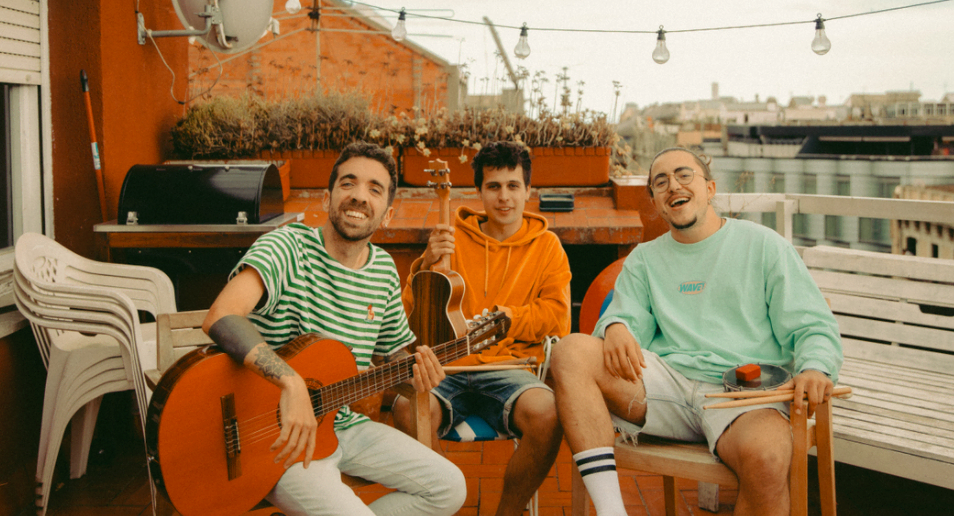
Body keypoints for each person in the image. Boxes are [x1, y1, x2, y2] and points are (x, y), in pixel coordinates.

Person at [551, 147, 843, 516]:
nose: (673, 186)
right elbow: (627, 314)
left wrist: (815, 367)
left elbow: (812, 322)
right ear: (655, 201)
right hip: (666, 387)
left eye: (684, 175)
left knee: (767, 460)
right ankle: (612, 512)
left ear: (710, 187)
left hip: (743, 396)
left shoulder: (763, 245)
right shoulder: (643, 259)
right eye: (661, 182)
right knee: (570, 351)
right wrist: (616, 325)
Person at [202, 142, 466, 516]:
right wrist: (291, 383)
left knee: (449, 488)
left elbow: (395, 353)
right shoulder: (286, 246)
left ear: (387, 214)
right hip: (274, 435)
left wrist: (419, 366)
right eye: (348, 183)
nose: (359, 196)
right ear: (327, 198)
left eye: (375, 189)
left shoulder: (383, 271)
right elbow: (221, 315)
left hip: (342, 423)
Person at [392, 141, 572, 516]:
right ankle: (445, 503)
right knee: (407, 410)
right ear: (479, 191)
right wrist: (424, 263)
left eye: (513, 185)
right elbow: (407, 316)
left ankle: (508, 511)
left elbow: (558, 317)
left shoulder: (547, 247)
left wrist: (509, 319)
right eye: (493, 186)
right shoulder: (451, 240)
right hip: (446, 368)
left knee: (548, 414)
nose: (504, 197)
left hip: (511, 368)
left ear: (528, 191)